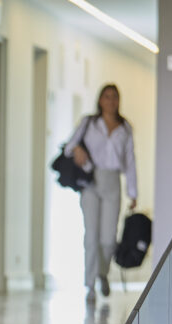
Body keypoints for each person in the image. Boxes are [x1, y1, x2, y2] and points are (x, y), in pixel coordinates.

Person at [64, 83, 138, 302]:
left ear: (118, 101)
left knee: (108, 239)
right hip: (90, 180)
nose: (110, 101)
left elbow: (131, 161)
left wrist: (133, 192)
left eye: (114, 97)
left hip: (112, 181)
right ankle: (89, 286)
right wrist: (77, 149)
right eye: (107, 96)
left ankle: (102, 273)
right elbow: (69, 146)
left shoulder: (125, 128)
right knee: (91, 236)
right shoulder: (89, 123)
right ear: (100, 100)